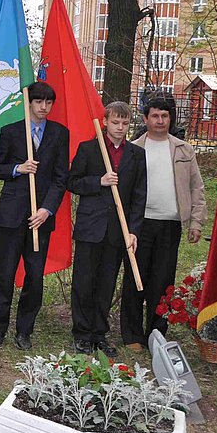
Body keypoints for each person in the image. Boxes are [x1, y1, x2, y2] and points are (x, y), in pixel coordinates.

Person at [0, 80, 69, 350]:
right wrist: (18, 169)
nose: (44, 107)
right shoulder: (11, 131)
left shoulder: (59, 134)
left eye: (48, 103)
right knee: (5, 272)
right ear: (29, 102)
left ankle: (24, 330)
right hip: (11, 214)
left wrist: (47, 209)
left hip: (40, 217)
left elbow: (60, 178)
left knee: (34, 275)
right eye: (39, 102)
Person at [123, 96, 206, 350]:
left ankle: (156, 334)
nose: (160, 121)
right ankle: (132, 335)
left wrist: (196, 222)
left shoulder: (183, 149)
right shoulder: (134, 148)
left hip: (170, 224)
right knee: (135, 278)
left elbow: (197, 187)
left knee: (163, 281)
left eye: (165, 116)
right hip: (139, 225)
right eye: (155, 116)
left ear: (170, 118)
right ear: (146, 118)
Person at [68, 101, 146, 357]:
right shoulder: (90, 149)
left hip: (118, 230)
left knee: (106, 283)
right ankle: (81, 333)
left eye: (125, 123)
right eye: (115, 122)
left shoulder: (136, 154)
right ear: (105, 122)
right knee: (84, 281)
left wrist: (132, 230)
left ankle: (98, 333)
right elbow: (73, 182)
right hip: (91, 226)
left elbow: (138, 196)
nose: (120, 127)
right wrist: (98, 181)